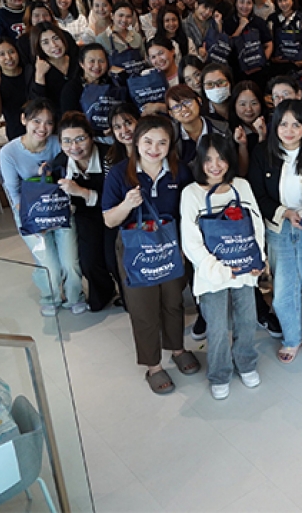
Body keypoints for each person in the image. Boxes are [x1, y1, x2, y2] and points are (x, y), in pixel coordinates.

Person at [102, 116, 199, 394]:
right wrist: (126, 204)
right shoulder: (119, 173)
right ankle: (153, 366)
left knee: (173, 301)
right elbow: (109, 220)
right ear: (136, 141)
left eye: (161, 143)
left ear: (170, 145)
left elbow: (188, 212)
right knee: (143, 307)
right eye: (148, 141)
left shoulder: (179, 172)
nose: (154, 149)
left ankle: (177, 349)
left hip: (171, 246)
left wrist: (184, 248)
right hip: (135, 249)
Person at [248, 99, 302, 365]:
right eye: (283, 124)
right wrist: (285, 212)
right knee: (284, 288)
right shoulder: (262, 153)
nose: (289, 130)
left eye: (296, 125)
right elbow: (257, 193)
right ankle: (291, 338)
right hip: (279, 227)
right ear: (275, 125)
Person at [179, 133, 263, 400]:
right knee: (215, 327)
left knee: (247, 321)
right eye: (208, 159)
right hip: (211, 275)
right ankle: (219, 373)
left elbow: (256, 225)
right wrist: (219, 270)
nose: (215, 166)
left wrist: (258, 259)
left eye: (221, 158)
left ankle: (246, 363)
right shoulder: (191, 193)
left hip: (245, 270)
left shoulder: (242, 186)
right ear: (199, 162)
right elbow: (191, 241)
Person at [0, 99, 87, 316]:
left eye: (48, 122)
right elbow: (13, 192)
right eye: (36, 121)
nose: (42, 128)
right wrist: (35, 219)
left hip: (61, 209)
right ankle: (51, 296)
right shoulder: (9, 152)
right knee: (49, 263)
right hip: (29, 213)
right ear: (24, 120)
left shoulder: (59, 143)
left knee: (70, 261)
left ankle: (75, 296)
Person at [51, 111, 119, 312]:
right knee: (89, 261)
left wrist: (81, 192)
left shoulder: (110, 156)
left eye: (80, 139)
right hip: (84, 214)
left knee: (113, 259)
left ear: (91, 137)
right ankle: (103, 293)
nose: (74, 147)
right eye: (67, 141)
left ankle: (129, 295)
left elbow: (117, 197)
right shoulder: (60, 164)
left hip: (115, 212)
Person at [168, 82, 230, 167]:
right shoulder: (170, 136)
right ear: (171, 114)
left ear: (199, 101)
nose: (184, 109)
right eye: (176, 107)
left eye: (187, 102)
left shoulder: (222, 129)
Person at [0, 37, 31, 141]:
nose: (8, 57)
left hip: (42, 131)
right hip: (17, 135)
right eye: (2, 54)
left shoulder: (31, 73)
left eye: (12, 52)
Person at [30, 23, 80, 108]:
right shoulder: (38, 69)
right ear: (39, 47)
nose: (54, 45)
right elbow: (38, 105)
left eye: (56, 38)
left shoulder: (77, 60)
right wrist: (40, 76)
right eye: (46, 43)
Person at [96, 2, 147, 77]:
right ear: (112, 16)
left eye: (128, 16)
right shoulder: (101, 39)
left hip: (138, 80)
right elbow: (99, 65)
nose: (124, 20)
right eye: (120, 15)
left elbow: (144, 58)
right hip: (115, 81)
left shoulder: (136, 36)